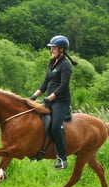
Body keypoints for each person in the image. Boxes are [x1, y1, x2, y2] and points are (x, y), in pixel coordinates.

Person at [30, 35, 78, 170]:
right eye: (51, 48)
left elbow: (63, 86)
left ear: (61, 50)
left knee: (56, 126)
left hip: (61, 102)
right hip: (49, 100)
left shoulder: (66, 66)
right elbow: (45, 83)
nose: (51, 50)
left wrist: (50, 98)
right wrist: (33, 96)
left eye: (54, 48)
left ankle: (62, 159)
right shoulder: (52, 63)